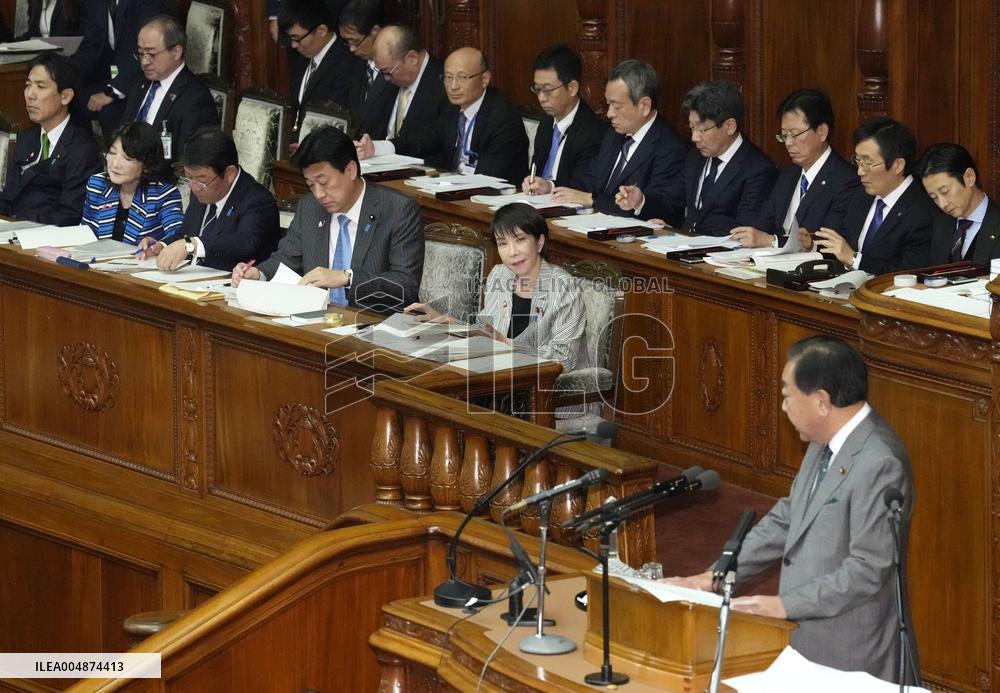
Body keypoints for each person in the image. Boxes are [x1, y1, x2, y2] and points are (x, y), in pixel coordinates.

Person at [664, 335, 917, 684]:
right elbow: (789, 517)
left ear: (822, 402)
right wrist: (718, 574)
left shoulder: (879, 462)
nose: (783, 407)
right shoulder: (822, 441)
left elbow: (867, 570)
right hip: (804, 639)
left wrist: (785, 605)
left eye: (787, 396)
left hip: (848, 651)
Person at [232, 125, 423, 313]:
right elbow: (286, 258)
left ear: (350, 170)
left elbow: (405, 285)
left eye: (324, 182)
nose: (319, 194)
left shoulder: (398, 209)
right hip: (318, 322)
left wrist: (347, 277)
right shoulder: (310, 208)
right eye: (311, 185)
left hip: (374, 325)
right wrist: (259, 274)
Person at [405, 203, 586, 372]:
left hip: (538, 389)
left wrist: (507, 343)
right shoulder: (500, 275)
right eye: (502, 243)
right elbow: (485, 331)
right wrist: (446, 321)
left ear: (539, 242)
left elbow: (565, 360)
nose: (512, 252)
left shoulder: (564, 288)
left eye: (520, 240)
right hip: (496, 373)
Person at [550, 60, 687, 226]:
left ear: (644, 105)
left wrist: (591, 200)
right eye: (608, 104)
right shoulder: (614, 134)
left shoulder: (669, 148)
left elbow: (662, 209)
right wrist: (551, 187)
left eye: (617, 106)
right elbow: (587, 181)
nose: (609, 114)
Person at [801, 117, 936, 274]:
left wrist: (854, 259)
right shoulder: (860, 196)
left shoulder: (922, 210)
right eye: (858, 161)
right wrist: (813, 246)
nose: (860, 172)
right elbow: (843, 249)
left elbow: (909, 274)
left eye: (868, 163)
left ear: (898, 165)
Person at [731, 89, 860, 248]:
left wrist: (772, 241)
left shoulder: (846, 181)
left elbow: (826, 242)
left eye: (795, 134)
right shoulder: (788, 175)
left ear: (822, 132)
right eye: (784, 135)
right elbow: (762, 224)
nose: (788, 143)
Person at [143, 128, 280, 271]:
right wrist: (161, 246)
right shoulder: (200, 190)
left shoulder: (258, 201)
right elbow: (186, 233)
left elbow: (244, 243)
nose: (194, 188)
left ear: (230, 174)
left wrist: (192, 245)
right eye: (189, 178)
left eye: (202, 180)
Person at [0, 53, 101, 225]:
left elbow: (69, 214)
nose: (30, 95)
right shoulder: (27, 138)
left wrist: (20, 226)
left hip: (46, 237)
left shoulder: (83, 149)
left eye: (40, 87)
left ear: (66, 96)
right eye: (28, 85)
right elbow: (9, 195)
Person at [674, 80, 776, 236]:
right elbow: (676, 198)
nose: (694, 137)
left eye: (702, 130)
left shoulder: (758, 169)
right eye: (692, 128)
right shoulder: (695, 156)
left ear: (729, 126)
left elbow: (743, 230)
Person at [423, 47, 528, 183]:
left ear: (485, 79)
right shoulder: (451, 107)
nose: (453, 86)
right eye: (448, 77)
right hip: (454, 187)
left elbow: (488, 177)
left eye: (462, 77)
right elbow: (428, 141)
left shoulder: (503, 119)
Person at [120, 15, 219, 160]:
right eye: (140, 54)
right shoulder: (140, 83)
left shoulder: (196, 99)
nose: (144, 62)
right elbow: (123, 131)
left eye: (152, 54)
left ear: (176, 52)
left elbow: (190, 160)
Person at [520, 44, 607, 194]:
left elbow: (583, 185)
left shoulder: (594, 132)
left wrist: (549, 186)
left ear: (572, 88)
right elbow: (535, 170)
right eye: (537, 89)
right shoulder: (546, 123)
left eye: (547, 90)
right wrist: (530, 181)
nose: (541, 98)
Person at [353, 24, 448, 160]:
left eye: (388, 72)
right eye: (382, 72)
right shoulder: (387, 77)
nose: (385, 78)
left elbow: (432, 141)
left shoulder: (444, 84)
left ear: (412, 59)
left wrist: (382, 148)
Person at [81, 121, 183, 244]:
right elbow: (85, 233)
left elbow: (177, 236)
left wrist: (159, 245)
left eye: (127, 158)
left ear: (147, 164)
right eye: (112, 153)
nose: (115, 164)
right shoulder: (97, 184)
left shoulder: (163, 194)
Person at [79, 0, 167, 133]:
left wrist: (114, 91)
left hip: (145, 77)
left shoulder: (147, 4)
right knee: (70, 96)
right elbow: (91, 43)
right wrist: (69, 76)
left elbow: (148, 51)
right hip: (112, 73)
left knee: (110, 113)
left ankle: (118, 152)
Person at [279, 0, 361, 137]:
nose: (293, 45)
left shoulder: (348, 64)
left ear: (321, 30)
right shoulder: (301, 58)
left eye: (297, 38)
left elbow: (338, 119)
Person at [916, 143, 1000, 265]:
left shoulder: (996, 221)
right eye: (934, 197)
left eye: (945, 191)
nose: (942, 203)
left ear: (969, 177)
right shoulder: (941, 224)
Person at [339, 0, 397, 141]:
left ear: (375, 31)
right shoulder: (355, 66)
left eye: (355, 41)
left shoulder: (397, 70)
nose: (351, 49)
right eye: (347, 42)